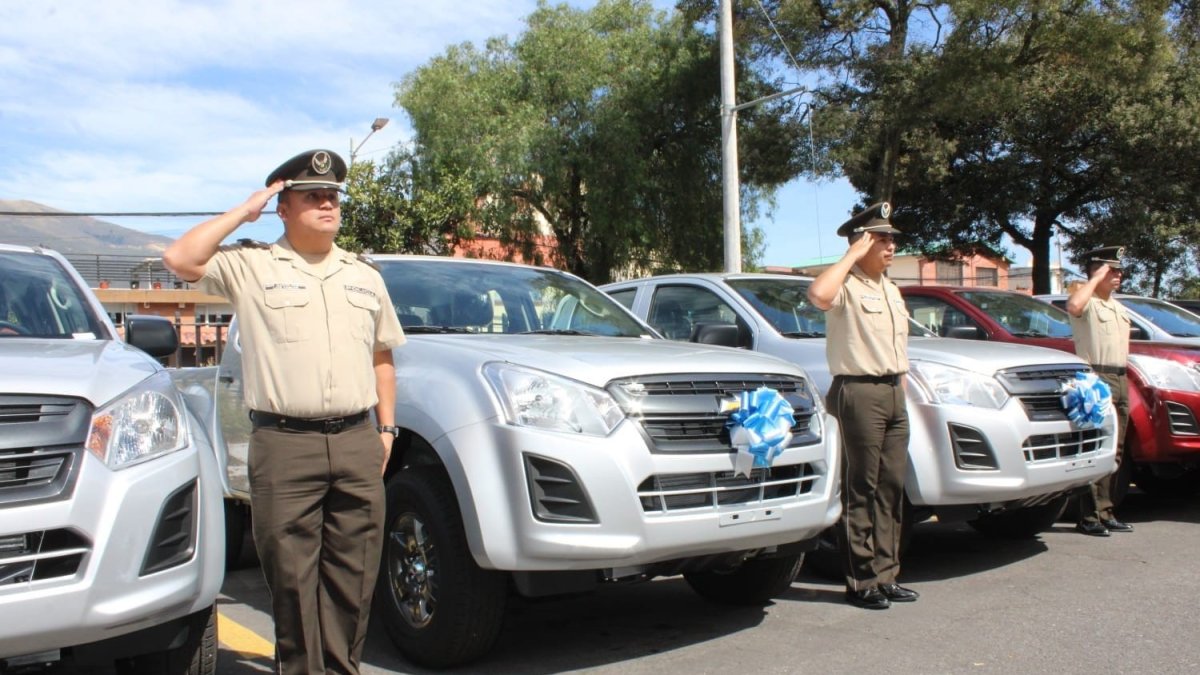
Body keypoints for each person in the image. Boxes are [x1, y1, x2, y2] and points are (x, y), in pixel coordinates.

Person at [163, 149, 406, 674]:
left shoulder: (364, 275)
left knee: (354, 581)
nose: (327, 203)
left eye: (332, 195)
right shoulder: (252, 265)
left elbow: (382, 357)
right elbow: (181, 259)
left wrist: (386, 429)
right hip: (285, 445)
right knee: (293, 584)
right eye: (313, 196)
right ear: (284, 208)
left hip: (356, 442)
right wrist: (244, 211)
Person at [807, 202, 917, 610]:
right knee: (860, 488)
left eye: (892, 239)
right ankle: (861, 580)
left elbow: (897, 346)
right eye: (882, 239)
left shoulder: (890, 288)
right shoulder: (846, 285)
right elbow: (818, 295)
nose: (891, 246)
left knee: (891, 487)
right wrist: (851, 254)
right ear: (862, 242)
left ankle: (887, 574)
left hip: (893, 392)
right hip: (859, 393)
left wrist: (900, 388)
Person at [1065, 245, 1134, 537]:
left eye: (1119, 271)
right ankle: (1088, 517)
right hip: (1097, 377)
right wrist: (1094, 278)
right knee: (1095, 447)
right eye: (1111, 271)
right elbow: (1073, 306)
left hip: (1120, 377)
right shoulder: (1087, 300)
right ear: (1097, 271)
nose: (1118, 276)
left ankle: (1106, 511)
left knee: (1115, 449)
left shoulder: (1117, 306)